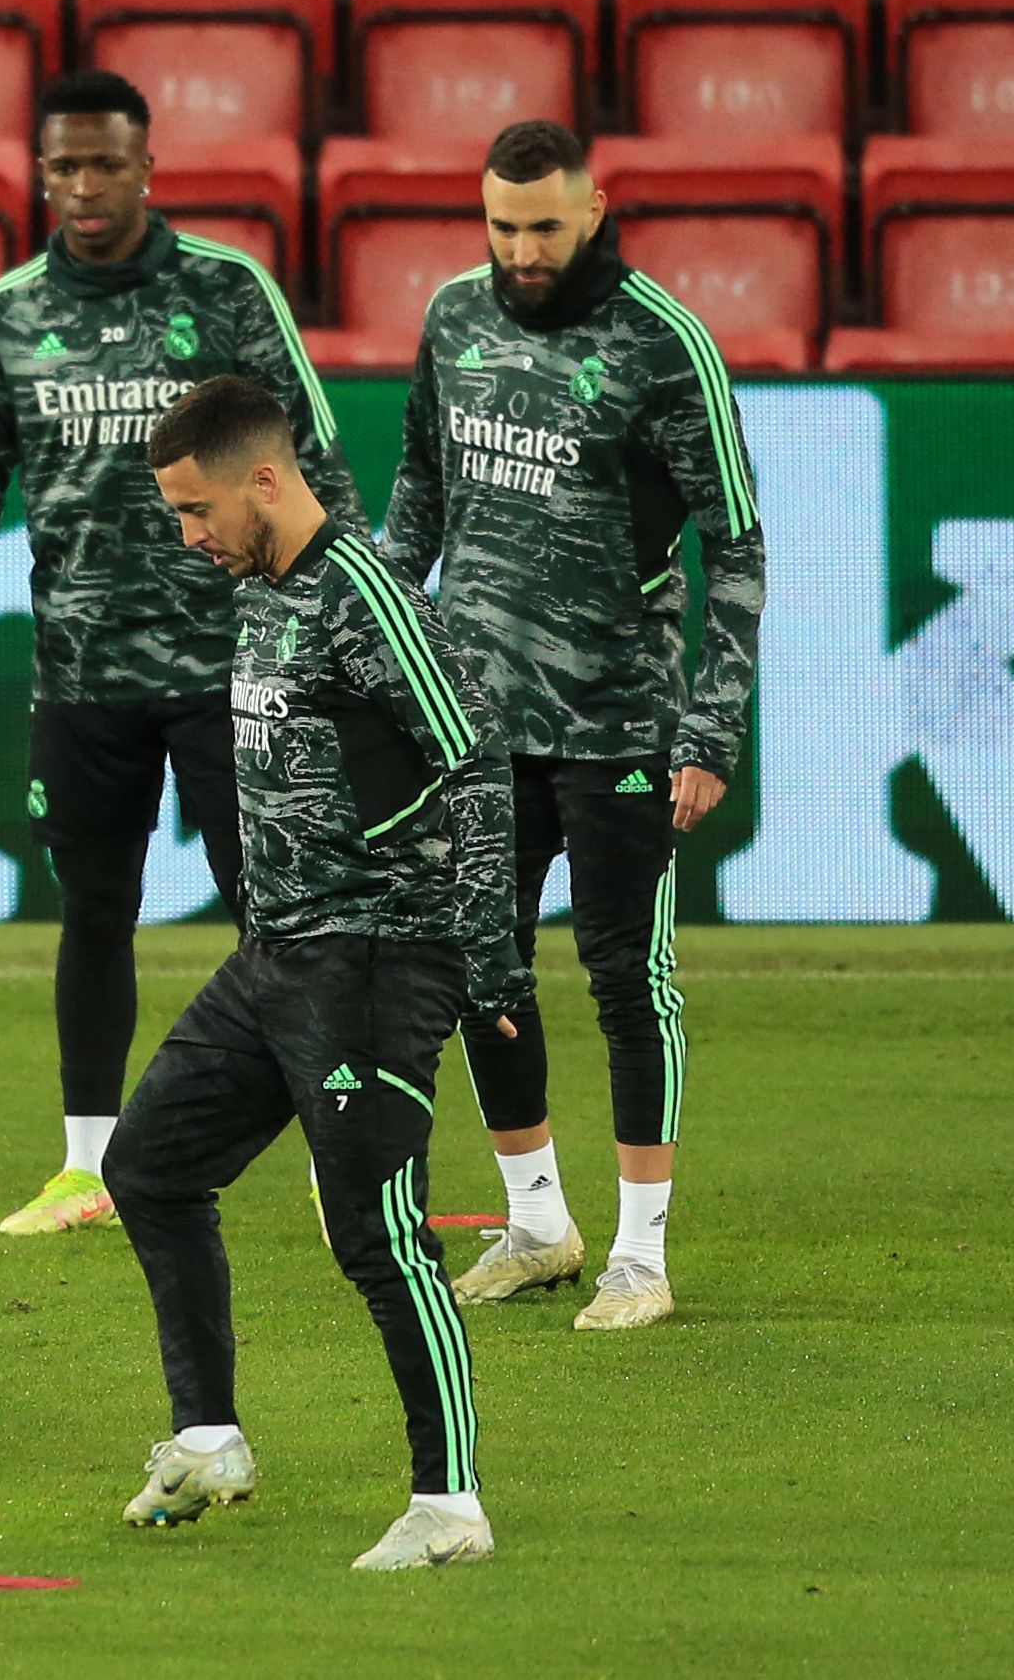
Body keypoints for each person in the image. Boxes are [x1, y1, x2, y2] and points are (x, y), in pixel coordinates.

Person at [0, 68, 365, 1237]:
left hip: (236, 663)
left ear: (146, 165)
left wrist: (353, 616)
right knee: (92, 910)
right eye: (64, 165)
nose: (86, 185)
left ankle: (336, 1149)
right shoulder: (7, 313)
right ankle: (84, 1165)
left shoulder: (224, 288)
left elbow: (316, 456)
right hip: (81, 673)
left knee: (277, 903)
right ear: (40, 172)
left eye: (107, 162)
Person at [105, 375, 527, 1571]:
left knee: (376, 1228)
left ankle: (450, 1504)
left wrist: (490, 964)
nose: (188, 537)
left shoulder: (360, 591)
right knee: (149, 1163)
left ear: (265, 478)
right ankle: (206, 1435)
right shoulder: (266, 591)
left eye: (195, 510)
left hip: (374, 962)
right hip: (273, 957)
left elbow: (474, 762)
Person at [380, 119, 767, 1331]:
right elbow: (417, 493)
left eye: (543, 224)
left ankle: (640, 1257)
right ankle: (537, 1220)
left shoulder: (663, 344)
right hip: (473, 725)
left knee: (625, 980)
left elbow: (736, 539)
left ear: (594, 207)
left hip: (619, 724)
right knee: (477, 965)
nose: (520, 248)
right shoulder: (451, 317)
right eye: (500, 225)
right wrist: (383, 657)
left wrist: (709, 725)